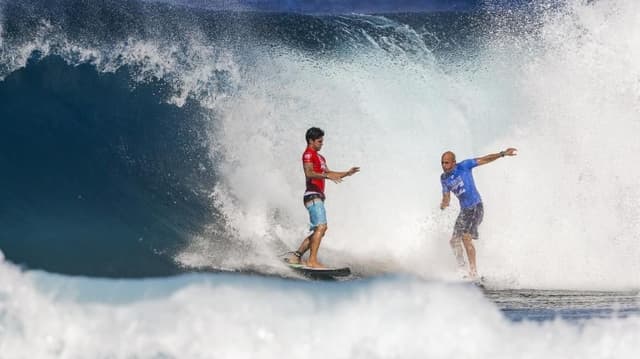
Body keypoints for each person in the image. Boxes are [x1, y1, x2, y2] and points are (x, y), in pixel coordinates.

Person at [287, 127, 359, 268]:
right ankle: (312, 261)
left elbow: (330, 173)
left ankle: (296, 257)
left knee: (320, 230)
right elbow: (309, 173)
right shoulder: (308, 154)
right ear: (311, 141)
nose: (322, 143)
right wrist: (326, 176)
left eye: (322, 141)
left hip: (319, 196)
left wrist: (347, 173)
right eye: (319, 141)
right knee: (321, 226)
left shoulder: (321, 157)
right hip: (312, 195)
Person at [440, 148, 517, 279]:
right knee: (453, 241)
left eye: (447, 163)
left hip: (476, 207)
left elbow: (485, 159)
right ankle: (462, 268)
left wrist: (502, 154)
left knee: (465, 237)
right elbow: (446, 198)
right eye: (442, 163)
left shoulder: (464, 166)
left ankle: (473, 272)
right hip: (464, 211)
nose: (444, 166)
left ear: (454, 162)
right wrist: (444, 204)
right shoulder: (444, 178)